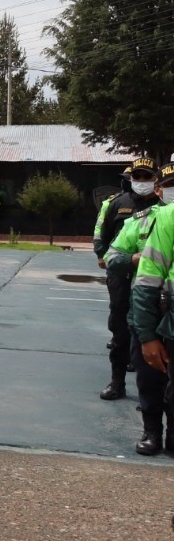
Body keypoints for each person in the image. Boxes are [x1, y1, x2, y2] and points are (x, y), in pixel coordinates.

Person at [109, 164, 172, 455]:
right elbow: (112, 258)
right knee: (149, 379)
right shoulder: (141, 221)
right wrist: (135, 258)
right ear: (160, 190)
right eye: (169, 185)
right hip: (146, 308)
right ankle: (152, 432)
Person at [98, 157, 160, 401]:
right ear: (131, 179)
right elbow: (104, 236)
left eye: (147, 177)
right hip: (122, 276)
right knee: (120, 330)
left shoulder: (164, 207)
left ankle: (151, 395)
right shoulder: (118, 203)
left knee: (153, 333)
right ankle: (117, 382)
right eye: (137, 177)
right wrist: (105, 257)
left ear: (156, 180)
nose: (142, 181)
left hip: (154, 281)